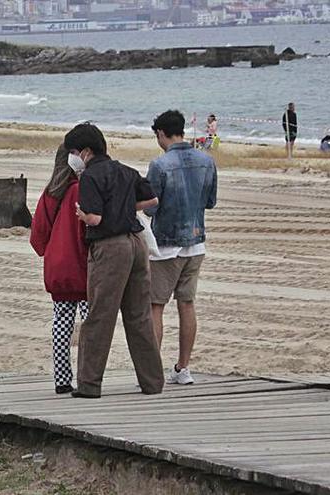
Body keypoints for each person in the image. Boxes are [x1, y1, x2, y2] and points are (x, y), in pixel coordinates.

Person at [68, 123, 164, 399]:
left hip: (109, 246)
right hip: (136, 244)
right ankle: (152, 381)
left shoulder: (90, 177)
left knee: (100, 315)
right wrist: (123, 208)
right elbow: (151, 199)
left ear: (85, 152)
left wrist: (84, 217)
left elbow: (95, 218)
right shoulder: (126, 170)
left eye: (74, 152)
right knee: (139, 315)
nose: (73, 158)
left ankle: (89, 384)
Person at [146, 110, 218, 386]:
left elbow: (152, 208)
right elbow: (211, 201)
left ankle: (153, 370)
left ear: (161, 134)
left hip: (166, 244)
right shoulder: (206, 161)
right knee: (187, 304)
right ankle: (183, 367)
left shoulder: (160, 164)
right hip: (196, 242)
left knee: (156, 306)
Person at [29, 144, 89, 395]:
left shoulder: (50, 193)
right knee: (89, 323)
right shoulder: (84, 191)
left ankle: (62, 378)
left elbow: (37, 237)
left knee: (62, 322)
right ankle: (88, 375)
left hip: (58, 267)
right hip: (84, 266)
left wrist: (52, 250)